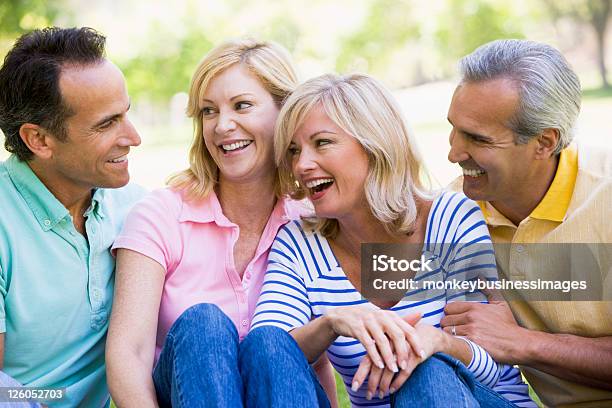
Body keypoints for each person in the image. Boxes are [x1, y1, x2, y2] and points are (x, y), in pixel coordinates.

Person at [251, 73, 536, 407]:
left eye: (322, 143)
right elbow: (268, 353)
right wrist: (333, 323)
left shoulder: (450, 218)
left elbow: (495, 365)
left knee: (428, 371)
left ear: (375, 145)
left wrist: (438, 343)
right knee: (266, 342)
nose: (302, 165)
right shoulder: (299, 244)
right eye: (294, 151)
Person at [106, 39, 336, 408]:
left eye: (242, 105)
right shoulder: (160, 215)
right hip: (185, 396)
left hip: (281, 392)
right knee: (204, 326)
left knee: (275, 343)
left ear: (285, 111)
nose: (222, 126)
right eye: (208, 111)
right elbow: (129, 354)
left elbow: (316, 361)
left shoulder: (312, 220)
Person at [444, 39, 612, 407]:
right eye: (454, 128)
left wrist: (523, 344)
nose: (453, 152)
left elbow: (511, 343)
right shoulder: (452, 215)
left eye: (477, 138)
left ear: (544, 142)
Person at [0, 27, 144, 407]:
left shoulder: (137, 210)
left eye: (125, 114)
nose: (133, 136)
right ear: (39, 140)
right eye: (106, 123)